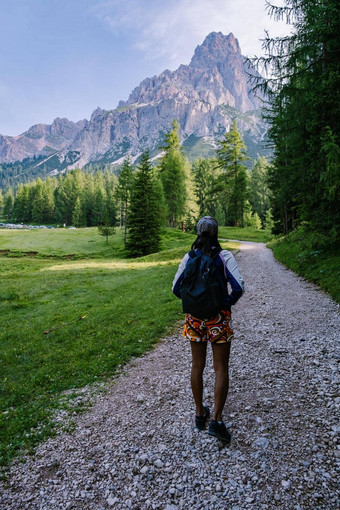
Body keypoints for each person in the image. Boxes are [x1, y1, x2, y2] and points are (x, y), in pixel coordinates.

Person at [172, 216, 244, 443]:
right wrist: (225, 303)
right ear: (216, 233)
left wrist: (194, 303)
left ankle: (199, 414)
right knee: (221, 368)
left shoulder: (189, 256)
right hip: (218, 320)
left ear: (197, 233)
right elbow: (239, 287)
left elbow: (176, 288)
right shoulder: (224, 256)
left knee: (197, 365)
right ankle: (217, 421)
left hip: (194, 320)